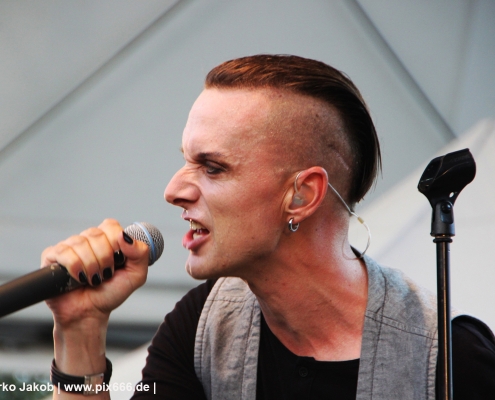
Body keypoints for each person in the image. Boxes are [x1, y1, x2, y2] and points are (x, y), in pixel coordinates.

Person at [43, 55, 495, 400]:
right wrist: (81, 328)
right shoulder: (201, 325)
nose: (173, 190)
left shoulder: (452, 359)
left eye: (212, 167)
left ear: (302, 195)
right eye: (186, 161)